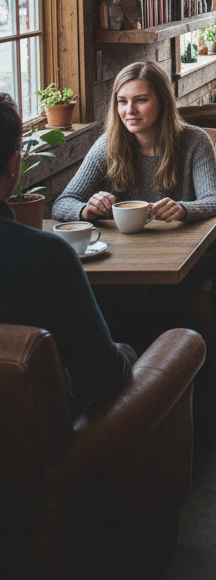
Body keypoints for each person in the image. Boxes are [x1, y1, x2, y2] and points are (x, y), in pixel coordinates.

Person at [0, 92, 134, 410]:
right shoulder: (46, 256)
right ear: (13, 164)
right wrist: (124, 355)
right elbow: (103, 380)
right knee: (126, 352)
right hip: (38, 446)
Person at [53, 60, 216, 224]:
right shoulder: (108, 144)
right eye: (122, 101)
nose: (130, 110)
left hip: (183, 246)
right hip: (124, 249)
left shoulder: (195, 142)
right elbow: (62, 203)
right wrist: (85, 210)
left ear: (162, 102)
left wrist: (183, 209)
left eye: (141, 100)